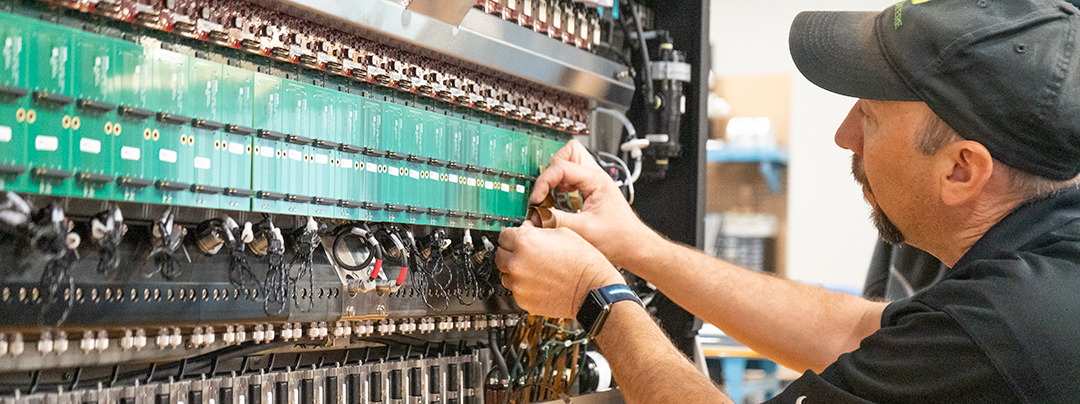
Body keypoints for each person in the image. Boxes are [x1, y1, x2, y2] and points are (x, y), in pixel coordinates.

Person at [495, 0, 1080, 402]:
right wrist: (636, 245)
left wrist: (594, 298)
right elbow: (856, 334)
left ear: (962, 169)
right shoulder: (1049, 257)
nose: (843, 134)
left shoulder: (1004, 330)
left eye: (870, 116)